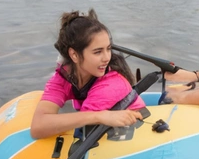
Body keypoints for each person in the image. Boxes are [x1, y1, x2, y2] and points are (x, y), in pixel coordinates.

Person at [30, 9, 145, 139]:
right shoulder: (64, 77)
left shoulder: (110, 86)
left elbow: (81, 133)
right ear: (74, 55)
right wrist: (98, 116)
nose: (107, 58)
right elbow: (38, 127)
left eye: (108, 49)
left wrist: (94, 116)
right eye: (98, 52)